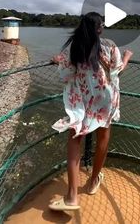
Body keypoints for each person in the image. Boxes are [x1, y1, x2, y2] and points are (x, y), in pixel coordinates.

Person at [49, 12, 133, 211]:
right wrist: (128, 57)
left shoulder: (75, 47)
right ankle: (94, 180)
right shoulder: (110, 45)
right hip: (106, 98)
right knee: (104, 134)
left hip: (84, 98)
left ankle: (71, 196)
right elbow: (116, 71)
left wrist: (58, 60)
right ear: (100, 28)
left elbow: (66, 73)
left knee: (75, 136)